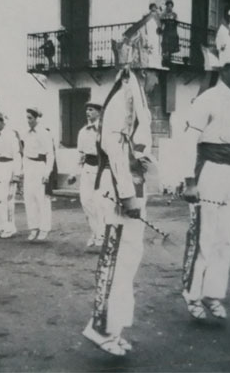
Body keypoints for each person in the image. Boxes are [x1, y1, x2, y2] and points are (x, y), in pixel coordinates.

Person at [180, 34, 230, 320]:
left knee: (226, 239)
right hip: (209, 171)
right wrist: (190, 180)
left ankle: (214, 294)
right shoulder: (206, 99)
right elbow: (189, 140)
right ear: (223, 69)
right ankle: (193, 295)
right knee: (204, 238)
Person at [82, 67, 153, 356]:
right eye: (156, 73)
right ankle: (100, 327)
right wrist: (127, 194)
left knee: (128, 260)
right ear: (144, 72)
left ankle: (114, 328)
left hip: (130, 189)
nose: (158, 79)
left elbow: (133, 150)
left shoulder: (130, 100)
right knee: (117, 260)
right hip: (118, 193)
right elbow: (114, 147)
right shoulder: (120, 102)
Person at [68, 101, 104, 248]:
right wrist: (73, 173)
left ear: (99, 112)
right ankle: (95, 232)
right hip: (87, 169)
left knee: (100, 204)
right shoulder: (83, 132)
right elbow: (81, 155)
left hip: (102, 170)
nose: (88, 112)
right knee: (86, 202)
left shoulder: (104, 130)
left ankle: (101, 235)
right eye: (87, 110)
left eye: (91, 110)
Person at [20, 107, 54, 241]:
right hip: (29, 167)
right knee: (29, 198)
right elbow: (24, 153)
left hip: (40, 166)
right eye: (27, 118)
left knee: (42, 199)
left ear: (36, 119)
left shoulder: (44, 133)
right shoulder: (25, 133)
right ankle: (33, 228)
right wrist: (23, 170)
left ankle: (44, 229)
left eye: (30, 118)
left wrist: (47, 172)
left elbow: (50, 154)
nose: (28, 121)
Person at [0, 111, 21, 239]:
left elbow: (17, 154)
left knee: (6, 200)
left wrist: (17, 173)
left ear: (3, 121)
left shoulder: (11, 134)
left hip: (9, 166)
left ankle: (9, 228)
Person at [160, 0, 179, 65]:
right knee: (166, 45)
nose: (169, 7)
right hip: (166, 31)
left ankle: (169, 59)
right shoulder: (164, 14)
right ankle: (165, 59)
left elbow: (176, 22)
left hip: (172, 31)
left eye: (171, 6)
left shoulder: (174, 14)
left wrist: (172, 22)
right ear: (166, 7)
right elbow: (161, 23)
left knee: (171, 45)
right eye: (168, 6)